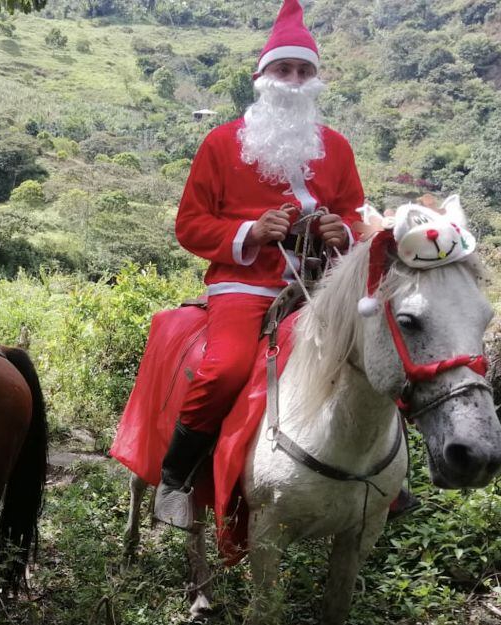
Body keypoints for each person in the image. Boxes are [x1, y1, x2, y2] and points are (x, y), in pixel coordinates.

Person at [154, 0, 365, 528]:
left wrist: (345, 231)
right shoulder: (222, 143)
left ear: (315, 80)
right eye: (283, 69)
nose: (293, 80)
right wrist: (249, 231)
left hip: (323, 280)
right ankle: (175, 478)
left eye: (303, 71)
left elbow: (356, 213)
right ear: (262, 77)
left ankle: (388, 479)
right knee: (224, 369)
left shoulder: (335, 147)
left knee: (378, 350)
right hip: (244, 284)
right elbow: (190, 225)